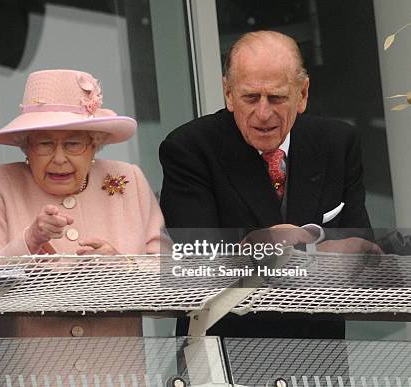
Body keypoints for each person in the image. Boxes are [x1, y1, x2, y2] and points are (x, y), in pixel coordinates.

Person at [159, 30, 374, 339]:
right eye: (250, 97)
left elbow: (361, 252)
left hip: (319, 353)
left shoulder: (338, 142)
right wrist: (311, 246)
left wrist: (293, 241)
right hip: (226, 351)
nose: (263, 113)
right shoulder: (190, 148)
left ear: (302, 95)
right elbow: (202, 261)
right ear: (229, 94)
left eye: (276, 97)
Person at [0, 69, 166, 338]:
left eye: (74, 144)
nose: (59, 158)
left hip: (117, 371)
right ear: (26, 147)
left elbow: (172, 278)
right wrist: (29, 240)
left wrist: (122, 267)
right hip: (25, 373)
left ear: (94, 145)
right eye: (44, 144)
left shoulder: (128, 179)